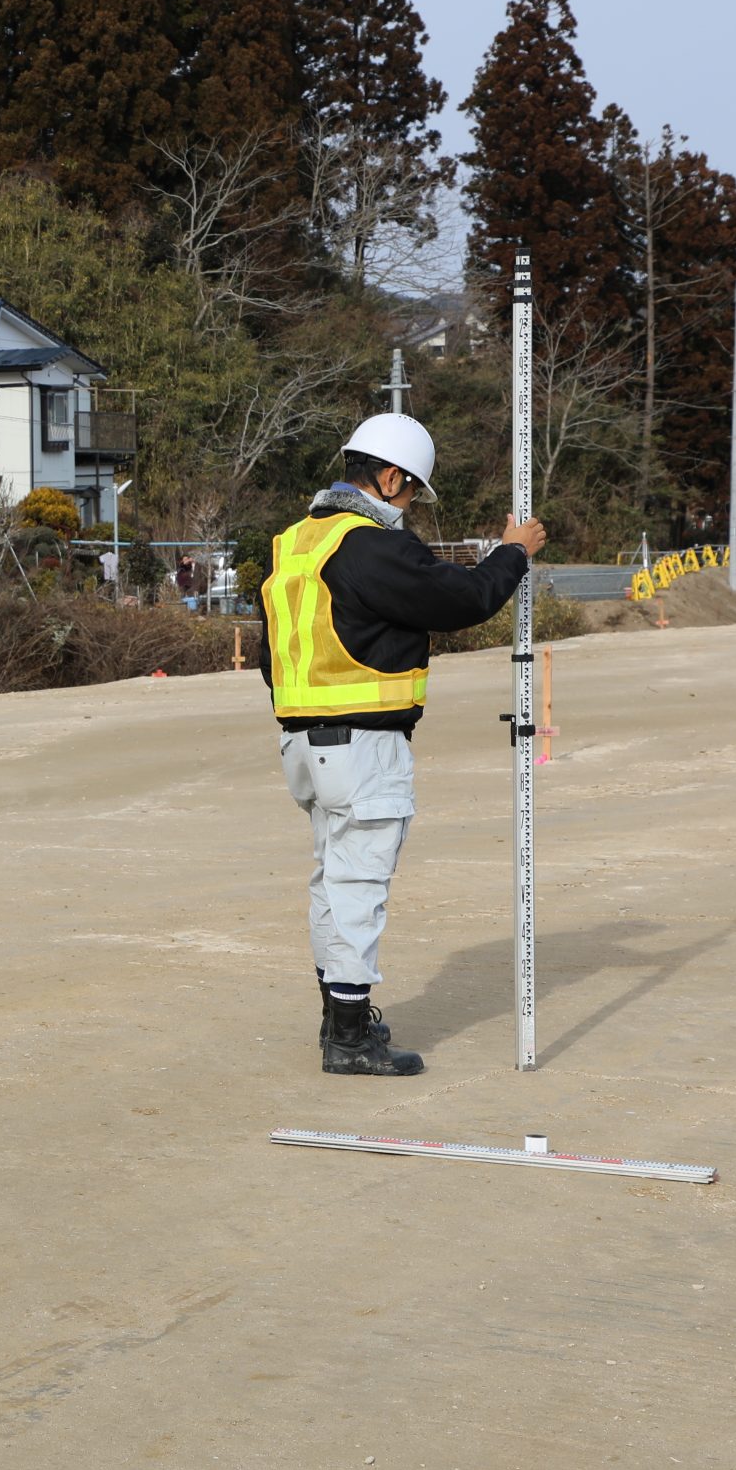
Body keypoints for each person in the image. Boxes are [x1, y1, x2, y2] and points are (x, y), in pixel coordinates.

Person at [260, 412, 547, 1078]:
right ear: (390, 479)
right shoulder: (368, 545)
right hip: (361, 745)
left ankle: (340, 1018)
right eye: (412, 490)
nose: (410, 504)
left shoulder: (295, 542)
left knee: (333, 882)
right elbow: (464, 597)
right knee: (357, 885)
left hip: (303, 742)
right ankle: (349, 1039)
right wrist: (514, 552)